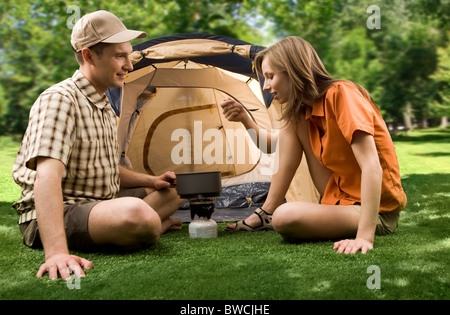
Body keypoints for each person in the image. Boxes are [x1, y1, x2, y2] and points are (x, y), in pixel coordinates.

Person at [12, 10, 184, 280]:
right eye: (120, 56)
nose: (129, 65)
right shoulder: (60, 99)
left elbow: (106, 169)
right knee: (139, 215)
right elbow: (46, 177)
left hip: (100, 204)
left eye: (129, 56)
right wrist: (57, 252)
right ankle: (149, 227)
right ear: (89, 55)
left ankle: (140, 227)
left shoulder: (105, 106)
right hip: (59, 212)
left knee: (178, 189)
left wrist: (151, 181)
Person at [221, 36, 407, 254]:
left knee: (285, 217)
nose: (266, 86)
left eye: (271, 76)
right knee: (294, 117)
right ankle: (266, 212)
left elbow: (371, 166)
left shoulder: (343, 94)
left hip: (374, 211)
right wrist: (245, 118)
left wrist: (364, 237)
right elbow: (271, 146)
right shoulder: (302, 111)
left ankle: (273, 214)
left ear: (293, 70)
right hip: (338, 199)